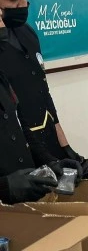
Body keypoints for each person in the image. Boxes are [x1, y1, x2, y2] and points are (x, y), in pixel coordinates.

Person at [0, 0, 88, 178]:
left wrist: (65, 148)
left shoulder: (28, 34)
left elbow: (43, 93)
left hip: (47, 143)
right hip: (15, 156)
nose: (24, 4)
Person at [0, 21, 81, 203]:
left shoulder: (3, 78)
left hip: (23, 210)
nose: (3, 24)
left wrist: (51, 162)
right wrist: (5, 186)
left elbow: (22, 130)